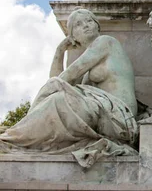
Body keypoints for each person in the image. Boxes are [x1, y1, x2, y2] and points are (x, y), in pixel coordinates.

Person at [0, 9, 139, 168]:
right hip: (104, 112)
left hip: (119, 116)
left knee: (56, 93)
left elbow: (67, 76)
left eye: (89, 20)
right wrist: (60, 51)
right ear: (73, 37)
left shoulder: (105, 42)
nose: (86, 25)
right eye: (79, 25)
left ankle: (14, 136)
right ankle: (17, 136)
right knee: (56, 98)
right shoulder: (91, 60)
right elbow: (59, 82)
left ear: (97, 25)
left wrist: (55, 84)